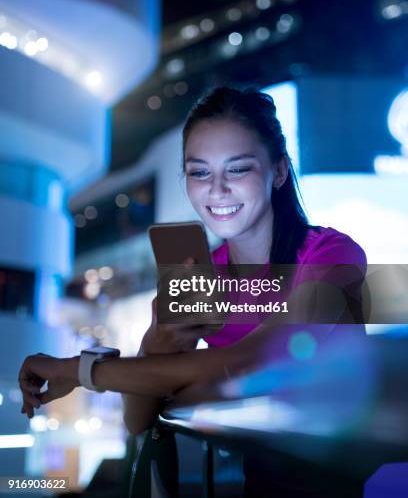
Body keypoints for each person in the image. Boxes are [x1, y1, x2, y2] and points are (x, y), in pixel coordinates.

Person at [18, 87, 367, 495]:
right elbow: (138, 419)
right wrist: (158, 340)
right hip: (254, 480)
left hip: (345, 478)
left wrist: (79, 370)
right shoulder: (203, 275)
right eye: (200, 172)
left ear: (278, 171)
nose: (216, 191)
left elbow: (253, 360)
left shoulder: (334, 255)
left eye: (238, 169)